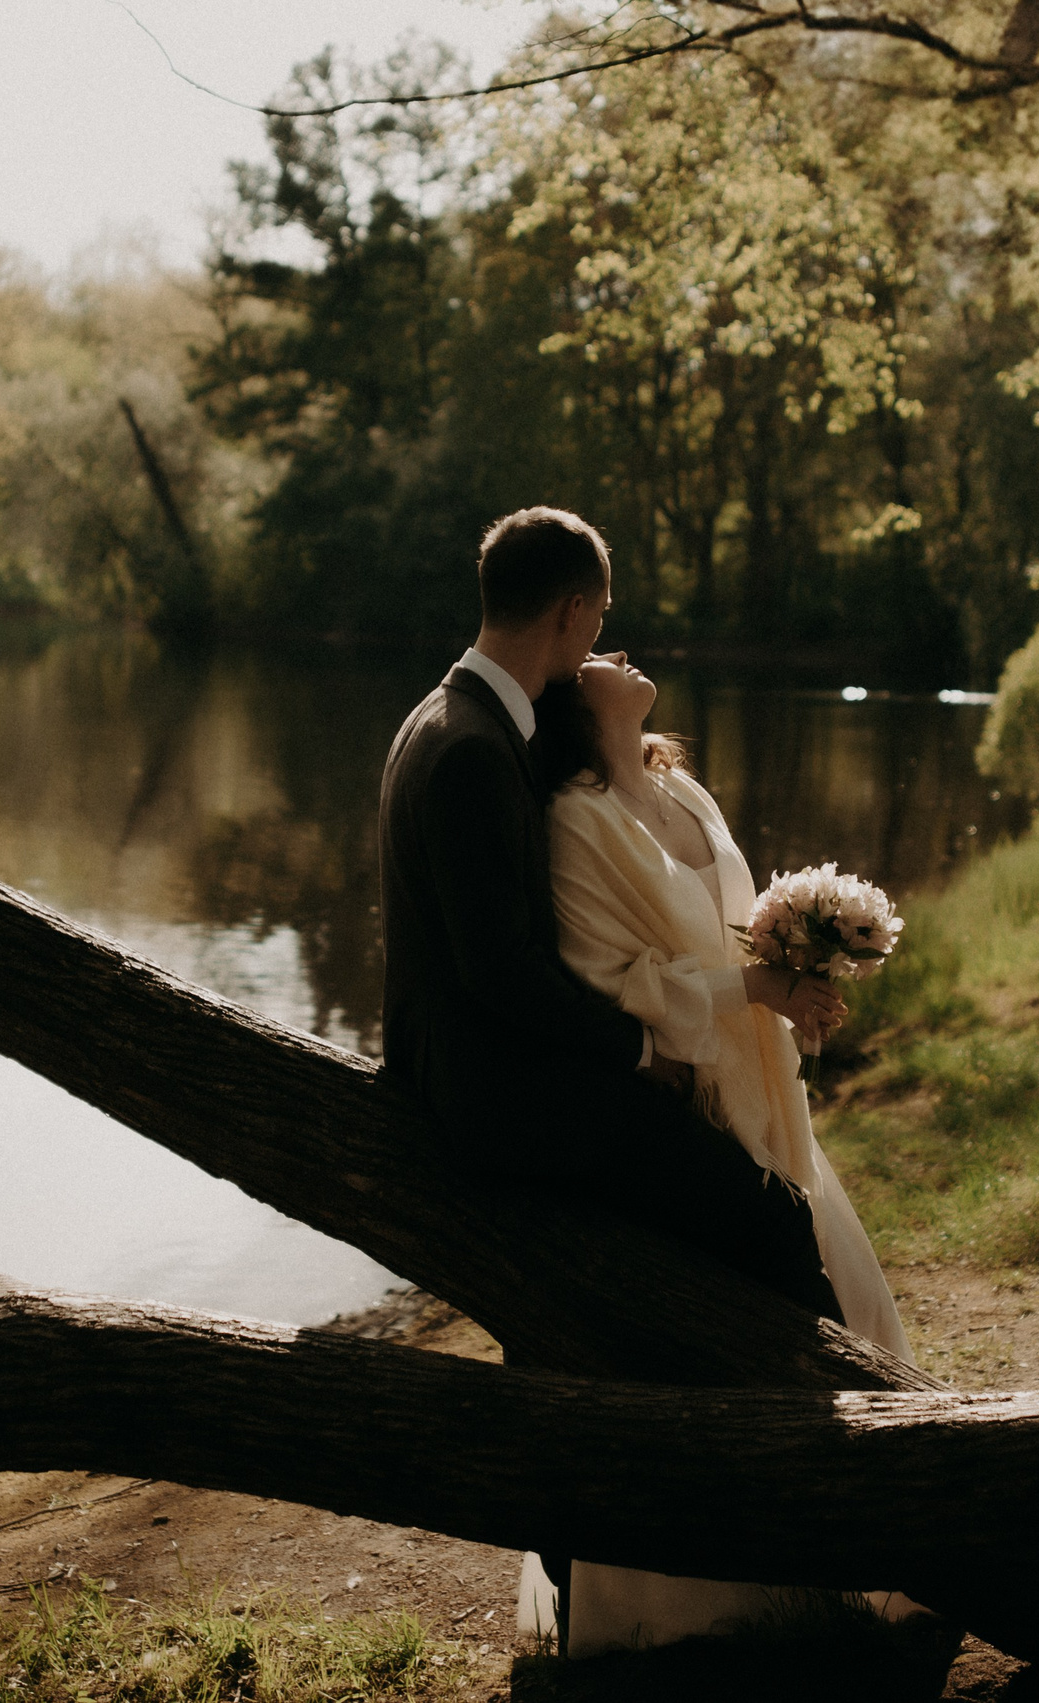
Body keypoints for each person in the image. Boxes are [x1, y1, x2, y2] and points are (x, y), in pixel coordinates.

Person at [378, 507, 842, 1648]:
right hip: (504, 1100)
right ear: (575, 611)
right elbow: (506, 983)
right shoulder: (474, 751)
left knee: (711, 1224)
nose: (602, 640)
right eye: (601, 620)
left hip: (492, 1078)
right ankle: (852, 1467)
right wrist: (640, 1049)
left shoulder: (448, 717)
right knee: (768, 1222)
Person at [511, 650, 919, 1657]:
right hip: (685, 1103)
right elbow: (620, 983)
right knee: (731, 1334)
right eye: (594, 654)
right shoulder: (573, 818)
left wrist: (795, 970)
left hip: (765, 1080)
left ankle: (863, 1540)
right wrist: (757, 993)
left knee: (848, 1310)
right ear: (569, 698)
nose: (614, 652)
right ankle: (709, 1599)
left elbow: (728, 936)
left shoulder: (676, 783)